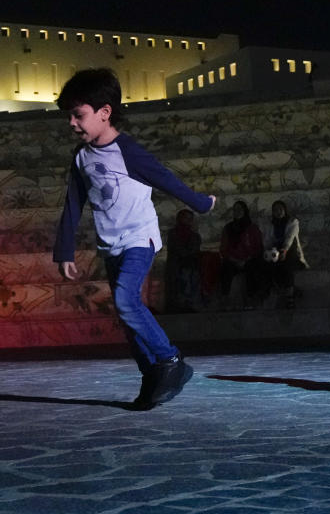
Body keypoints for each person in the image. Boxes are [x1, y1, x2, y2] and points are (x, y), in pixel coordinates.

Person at [53, 68, 216, 410]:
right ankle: (151, 377)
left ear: (105, 112)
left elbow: (165, 179)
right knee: (128, 320)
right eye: (70, 115)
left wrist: (200, 202)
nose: (72, 123)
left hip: (139, 239)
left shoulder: (128, 151)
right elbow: (72, 203)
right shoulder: (81, 158)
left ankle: (171, 361)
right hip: (110, 245)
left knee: (127, 303)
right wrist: (64, 250)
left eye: (78, 115)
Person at [218, 200, 264, 308]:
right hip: (232, 260)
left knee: (253, 268)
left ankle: (250, 299)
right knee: (225, 268)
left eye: (239, 209)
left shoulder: (252, 228)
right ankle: (225, 299)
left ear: (245, 211)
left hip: (248, 259)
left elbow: (258, 247)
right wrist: (233, 259)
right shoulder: (228, 228)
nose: (237, 212)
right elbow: (223, 248)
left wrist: (246, 259)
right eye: (235, 210)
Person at [264, 199, 308, 308]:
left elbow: (290, 238)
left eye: (280, 209)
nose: (278, 212)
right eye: (275, 210)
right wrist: (268, 250)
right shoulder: (270, 224)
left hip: (290, 252)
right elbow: (267, 239)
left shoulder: (293, 222)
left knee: (286, 265)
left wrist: (284, 250)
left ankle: (289, 297)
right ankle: (290, 290)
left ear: (285, 210)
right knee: (269, 266)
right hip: (275, 252)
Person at [164, 209, 203, 313]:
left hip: (190, 265)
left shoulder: (195, 236)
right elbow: (176, 249)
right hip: (177, 264)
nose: (188, 221)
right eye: (186, 218)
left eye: (190, 219)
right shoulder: (173, 234)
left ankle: (189, 303)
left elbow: (194, 250)